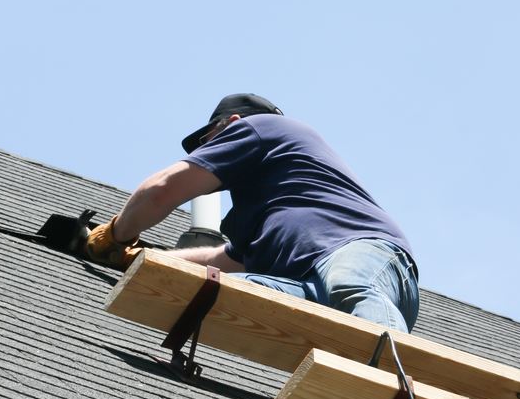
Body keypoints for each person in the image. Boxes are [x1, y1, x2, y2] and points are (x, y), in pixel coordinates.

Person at [86, 92, 419, 336]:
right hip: (309, 287)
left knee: (349, 287)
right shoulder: (260, 209)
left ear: (233, 124)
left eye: (207, 139)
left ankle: (393, 382)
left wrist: (115, 235)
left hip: (357, 253)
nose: (204, 150)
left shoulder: (264, 127)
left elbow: (163, 189)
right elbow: (224, 261)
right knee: (212, 294)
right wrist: (144, 261)